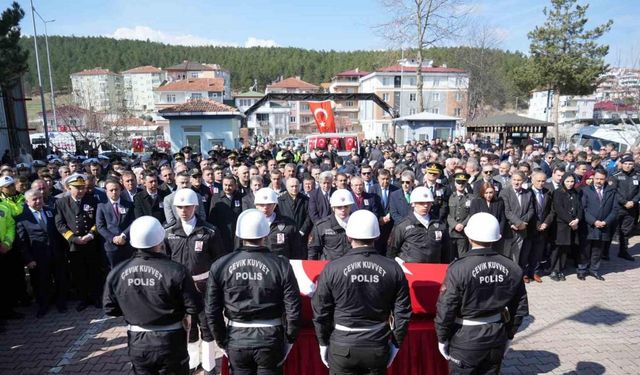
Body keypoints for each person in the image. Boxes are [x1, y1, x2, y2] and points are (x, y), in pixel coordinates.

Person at [312, 210, 412, 374]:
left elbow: (320, 310)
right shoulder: (393, 268)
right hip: (376, 346)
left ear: (348, 236)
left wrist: (323, 342)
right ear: (377, 236)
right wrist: (395, 344)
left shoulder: (332, 268)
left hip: (342, 348)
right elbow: (403, 312)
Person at [205, 209, 302, 375]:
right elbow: (293, 307)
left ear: (239, 235)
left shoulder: (221, 265)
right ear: (265, 234)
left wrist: (221, 340)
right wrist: (289, 338)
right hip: (270, 339)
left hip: (237, 339)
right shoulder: (281, 265)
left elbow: (212, 310)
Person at [103, 216, 202, 375]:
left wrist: (135, 310)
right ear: (160, 239)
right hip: (171, 340)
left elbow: (110, 309)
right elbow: (195, 306)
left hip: (138, 342)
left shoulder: (117, 272)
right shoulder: (176, 270)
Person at [436, 212, 529, 375]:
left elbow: (446, 307)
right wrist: (509, 334)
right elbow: (519, 308)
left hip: (466, 340)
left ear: (468, 235)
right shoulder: (512, 267)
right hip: (496, 337)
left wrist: (442, 337)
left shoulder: (458, 268)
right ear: (496, 237)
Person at [164, 188, 225, 374]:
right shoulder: (168, 232)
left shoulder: (209, 231)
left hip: (204, 288)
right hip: (180, 290)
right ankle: (192, 362)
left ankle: (208, 365)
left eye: (188, 206)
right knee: (187, 328)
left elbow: (219, 260)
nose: (184, 210)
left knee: (207, 326)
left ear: (195, 207)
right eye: (180, 207)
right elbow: (164, 262)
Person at [54, 174, 103, 311]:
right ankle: (83, 298)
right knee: (78, 273)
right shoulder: (61, 203)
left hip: (90, 242)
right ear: (69, 188)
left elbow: (98, 221)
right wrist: (72, 238)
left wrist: (91, 235)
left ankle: (96, 297)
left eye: (82, 188)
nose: (81, 191)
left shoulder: (92, 200)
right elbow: (60, 224)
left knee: (94, 271)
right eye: (77, 188)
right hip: (73, 245)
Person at [388, 186, 449, 263]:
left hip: (434, 271)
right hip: (410, 272)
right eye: (421, 203)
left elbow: (446, 252)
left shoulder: (439, 224)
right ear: (413, 204)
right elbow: (391, 251)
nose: (426, 206)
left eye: (428, 203)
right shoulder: (402, 226)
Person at [579, 169, 618, 281]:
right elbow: (583, 209)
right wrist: (594, 221)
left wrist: (606, 222)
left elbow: (615, 209)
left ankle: (594, 270)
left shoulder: (611, 191)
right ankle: (582, 270)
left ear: (605, 179)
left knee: (598, 249)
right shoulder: (585, 190)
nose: (599, 181)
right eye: (597, 179)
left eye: (602, 179)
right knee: (585, 249)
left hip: (604, 226)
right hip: (589, 226)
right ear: (593, 178)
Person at [549, 173, 582, 281]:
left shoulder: (575, 192)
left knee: (565, 249)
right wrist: (571, 221)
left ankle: (561, 269)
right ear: (563, 181)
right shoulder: (558, 192)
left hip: (572, 226)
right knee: (557, 249)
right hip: (561, 225)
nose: (570, 184)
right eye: (567, 181)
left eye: (572, 181)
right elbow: (559, 209)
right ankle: (554, 269)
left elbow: (579, 208)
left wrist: (577, 219)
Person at [96, 179, 135, 268]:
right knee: (113, 272)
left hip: (127, 244)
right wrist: (113, 238)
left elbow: (132, 222)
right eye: (111, 190)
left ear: (120, 190)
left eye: (116, 189)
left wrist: (123, 236)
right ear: (106, 191)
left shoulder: (129, 205)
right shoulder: (101, 206)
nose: (114, 192)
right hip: (110, 247)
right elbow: (100, 226)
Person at [500, 171, 534, 271]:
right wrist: (516, 223)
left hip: (521, 229)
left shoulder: (528, 193)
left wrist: (521, 224)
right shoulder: (504, 192)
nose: (516, 182)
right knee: (505, 253)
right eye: (514, 179)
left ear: (523, 181)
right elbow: (506, 211)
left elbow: (531, 210)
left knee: (516, 254)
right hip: (508, 228)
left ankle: (513, 274)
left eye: (519, 180)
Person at [308, 189, 354, 260]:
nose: (343, 210)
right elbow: (313, 251)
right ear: (333, 208)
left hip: (351, 266)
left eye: (346, 206)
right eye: (339, 207)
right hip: (330, 268)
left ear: (350, 206)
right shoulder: (322, 226)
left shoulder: (357, 223)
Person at [610, 155, 639, 261]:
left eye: (630, 164)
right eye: (625, 164)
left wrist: (634, 201)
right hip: (618, 207)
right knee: (611, 229)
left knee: (626, 231)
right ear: (622, 164)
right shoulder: (615, 175)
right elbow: (614, 191)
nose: (628, 166)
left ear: (633, 165)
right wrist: (624, 202)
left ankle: (623, 251)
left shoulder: (638, 176)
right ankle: (604, 252)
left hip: (631, 208)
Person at [208, 175, 244, 252]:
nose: (227, 187)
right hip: (222, 235)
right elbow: (212, 218)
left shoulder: (241, 197)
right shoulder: (216, 198)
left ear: (235, 186)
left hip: (237, 234)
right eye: (225, 185)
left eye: (230, 185)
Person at [277, 177, 313, 253]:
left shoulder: (306, 200)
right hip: (285, 235)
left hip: (301, 235)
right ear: (287, 187)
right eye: (292, 186)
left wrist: (303, 230)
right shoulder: (280, 200)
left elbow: (309, 217)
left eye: (296, 186)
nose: (294, 188)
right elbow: (278, 217)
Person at [447, 173, 473, 259]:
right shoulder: (450, 197)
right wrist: (454, 225)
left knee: (462, 257)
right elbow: (447, 213)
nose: (461, 185)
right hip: (451, 232)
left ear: (466, 183)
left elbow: (471, 213)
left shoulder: (470, 198)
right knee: (450, 257)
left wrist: (463, 224)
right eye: (458, 182)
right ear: (455, 183)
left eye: (463, 182)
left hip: (463, 233)